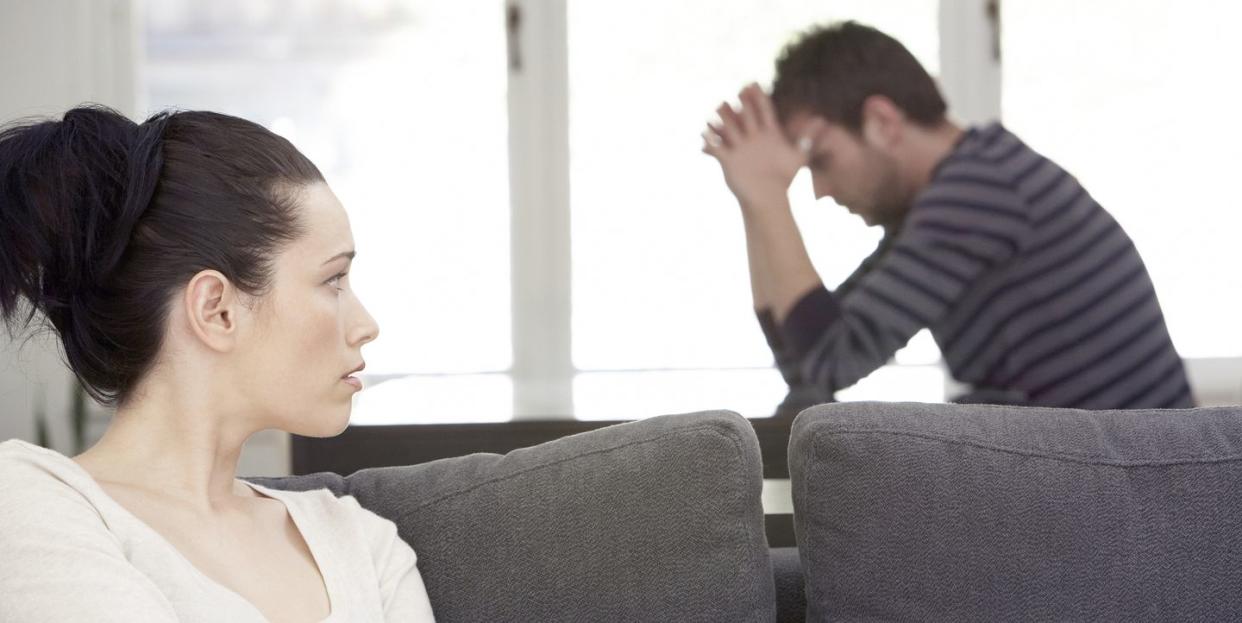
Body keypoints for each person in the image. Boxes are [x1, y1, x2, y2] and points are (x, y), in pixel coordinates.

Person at [0, 106, 435, 621]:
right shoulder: (32, 504)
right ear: (217, 310)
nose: (366, 324)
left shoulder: (360, 542)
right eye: (332, 281)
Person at [701, 21, 1193, 410]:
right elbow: (806, 361)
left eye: (822, 161)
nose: (821, 190)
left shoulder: (978, 194)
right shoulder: (963, 186)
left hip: (1134, 499)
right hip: (1105, 480)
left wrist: (768, 196)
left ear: (882, 122)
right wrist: (753, 199)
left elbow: (832, 359)